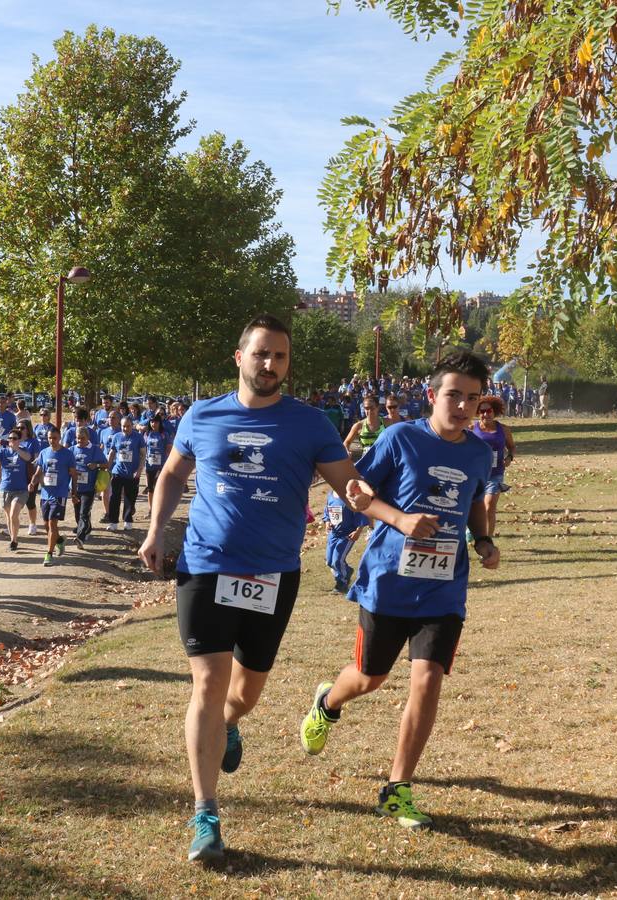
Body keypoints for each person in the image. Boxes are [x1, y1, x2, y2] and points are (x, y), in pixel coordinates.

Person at [137, 314, 379, 863]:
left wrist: (376, 502)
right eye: (262, 354)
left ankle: (228, 726)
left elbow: (348, 482)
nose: (270, 365)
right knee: (207, 682)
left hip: (272, 573)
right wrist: (156, 529)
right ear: (239, 358)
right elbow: (174, 473)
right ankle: (205, 814)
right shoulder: (202, 415)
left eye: (280, 357)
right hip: (205, 565)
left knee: (243, 695)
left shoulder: (310, 423)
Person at [298, 351, 501, 832]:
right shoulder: (399, 438)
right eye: (454, 395)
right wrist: (401, 520)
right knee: (370, 678)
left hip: (444, 589)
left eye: (472, 398)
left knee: (428, 680)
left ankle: (397, 789)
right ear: (432, 395)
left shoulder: (478, 452)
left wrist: (485, 538)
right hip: (388, 583)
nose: (463, 406)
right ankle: (328, 702)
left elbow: (473, 503)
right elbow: (359, 494)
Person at [29, 427, 74, 566]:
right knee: (46, 525)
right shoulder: (44, 452)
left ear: (59, 437)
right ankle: (59, 540)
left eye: (54, 438)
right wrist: (32, 482)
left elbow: (74, 474)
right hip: (45, 493)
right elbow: (39, 470)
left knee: (52, 522)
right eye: (49, 438)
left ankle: (48, 554)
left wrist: (74, 491)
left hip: (59, 494)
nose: (52, 440)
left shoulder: (67, 454)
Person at [470, 396, 515, 538]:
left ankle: (486, 540)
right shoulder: (471, 428)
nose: (486, 414)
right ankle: (471, 530)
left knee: (489, 506)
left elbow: (512, 447)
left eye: (489, 411)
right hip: (474, 475)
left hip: (495, 474)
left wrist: (509, 457)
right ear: (477, 413)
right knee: (473, 508)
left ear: (495, 412)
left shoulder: (504, 430)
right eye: (482, 411)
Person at [0, 430, 34, 552]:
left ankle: (14, 539)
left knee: (14, 514)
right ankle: (12, 538)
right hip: (5, 488)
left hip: (21, 490)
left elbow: (28, 458)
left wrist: (16, 449)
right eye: (10, 438)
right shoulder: (3, 451)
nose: (11, 440)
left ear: (19, 440)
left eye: (14, 438)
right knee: (9, 516)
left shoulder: (23, 450)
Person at [324, 489, 368, 594]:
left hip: (347, 536)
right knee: (329, 561)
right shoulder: (330, 495)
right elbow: (327, 511)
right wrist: (327, 522)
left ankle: (342, 584)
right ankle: (347, 571)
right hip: (333, 535)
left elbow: (360, 514)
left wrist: (357, 531)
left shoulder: (350, 497)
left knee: (337, 560)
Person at [70, 426, 107, 549]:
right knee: (77, 514)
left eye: (82, 438)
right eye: (78, 438)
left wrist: (96, 465)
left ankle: (80, 538)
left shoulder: (95, 450)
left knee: (84, 513)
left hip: (89, 488)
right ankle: (87, 528)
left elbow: (106, 464)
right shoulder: (72, 450)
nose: (80, 441)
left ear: (88, 438)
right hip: (75, 488)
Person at [107, 415, 146, 530]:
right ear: (121, 426)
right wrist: (107, 468)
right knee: (114, 497)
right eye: (124, 426)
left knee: (130, 498)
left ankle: (127, 520)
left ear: (132, 426)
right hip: (117, 471)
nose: (126, 428)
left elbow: (143, 455)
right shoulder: (117, 437)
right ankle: (113, 522)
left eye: (128, 426)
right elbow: (112, 453)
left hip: (132, 473)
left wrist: (139, 471)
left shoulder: (138, 437)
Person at [143, 414, 172, 500]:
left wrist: (167, 464)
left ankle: (159, 508)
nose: (153, 424)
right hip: (149, 465)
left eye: (155, 422)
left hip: (161, 465)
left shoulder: (164, 434)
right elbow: (143, 449)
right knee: (150, 488)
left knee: (159, 487)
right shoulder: (147, 434)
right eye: (151, 422)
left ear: (159, 423)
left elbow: (169, 449)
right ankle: (151, 510)